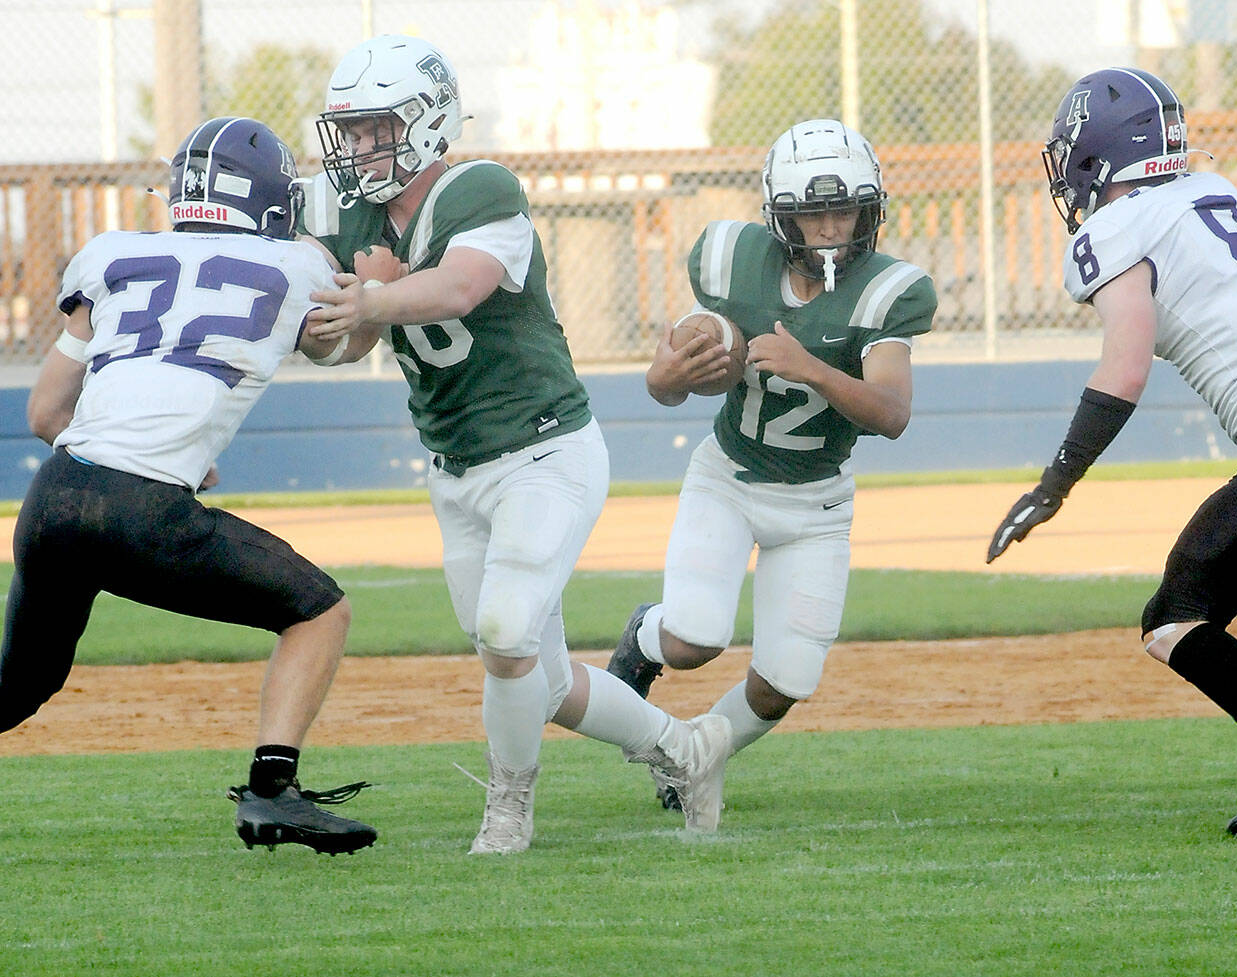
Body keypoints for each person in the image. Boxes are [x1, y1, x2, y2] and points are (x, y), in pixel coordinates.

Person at [301, 34, 732, 853]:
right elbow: (343, 343)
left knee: (504, 634)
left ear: (427, 124)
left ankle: (509, 808)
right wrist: (323, 318)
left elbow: (458, 286)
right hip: (457, 470)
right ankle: (688, 749)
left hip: (545, 451)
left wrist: (371, 295)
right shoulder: (350, 211)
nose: (359, 149)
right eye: (350, 132)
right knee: (544, 677)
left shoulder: (480, 189)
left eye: (375, 130)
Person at [0, 116, 377, 855]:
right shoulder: (297, 265)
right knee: (319, 611)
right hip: (143, 509)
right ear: (268, 198)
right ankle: (273, 794)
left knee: (17, 687)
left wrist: (142, 452)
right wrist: (374, 300)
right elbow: (340, 346)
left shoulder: (113, 254)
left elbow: (46, 410)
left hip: (55, 496)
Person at [607, 119, 937, 811]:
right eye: (813, 212)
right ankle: (643, 637)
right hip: (727, 480)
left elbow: (892, 413)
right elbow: (668, 386)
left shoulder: (887, 290)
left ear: (870, 208)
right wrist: (664, 373)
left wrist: (811, 368)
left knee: (787, 680)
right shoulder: (734, 260)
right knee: (693, 637)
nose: (829, 227)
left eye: (842, 208)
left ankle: (697, 752)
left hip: (816, 506)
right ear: (781, 215)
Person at [985, 67, 1237, 838]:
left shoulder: (1115, 228)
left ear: (1092, 157)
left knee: (1175, 619)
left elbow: (1125, 364)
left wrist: (1055, 484)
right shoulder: (1217, 193)